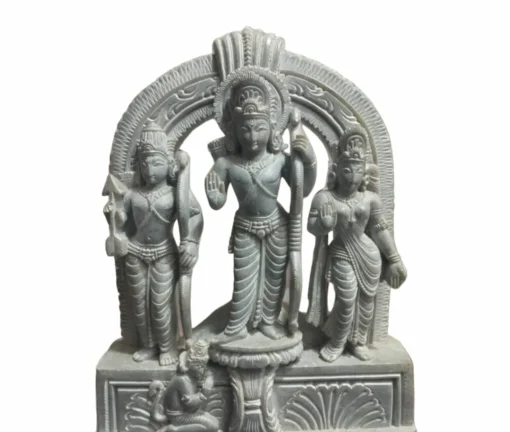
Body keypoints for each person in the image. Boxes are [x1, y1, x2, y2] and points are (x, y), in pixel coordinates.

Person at [205, 75, 316, 341]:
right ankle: (237, 326)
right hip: (245, 226)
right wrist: (214, 195)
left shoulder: (279, 160)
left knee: (274, 279)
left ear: (272, 130)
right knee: (244, 278)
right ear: (234, 131)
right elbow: (218, 203)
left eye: (259, 129)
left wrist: (310, 160)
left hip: (277, 224)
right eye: (245, 130)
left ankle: (268, 320)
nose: (253, 137)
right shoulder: (225, 164)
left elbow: (303, 190)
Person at [104, 121, 203, 365]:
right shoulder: (132, 194)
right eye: (145, 164)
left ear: (169, 165)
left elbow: (195, 214)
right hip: (135, 252)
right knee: (140, 305)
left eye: (157, 163)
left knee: (160, 304)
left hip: (163, 253)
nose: (150, 170)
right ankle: (148, 345)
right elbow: (123, 220)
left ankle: (167, 347)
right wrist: (113, 215)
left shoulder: (175, 193)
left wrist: (191, 241)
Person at [307, 128, 407, 362]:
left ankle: (358, 341)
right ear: (336, 171)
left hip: (369, 255)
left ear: (365, 175)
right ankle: (337, 341)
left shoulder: (371, 199)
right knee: (346, 298)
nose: (352, 177)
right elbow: (311, 227)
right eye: (347, 170)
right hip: (341, 251)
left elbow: (380, 230)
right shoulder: (325, 198)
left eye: (358, 171)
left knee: (366, 301)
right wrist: (324, 224)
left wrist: (394, 258)